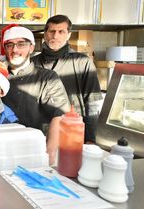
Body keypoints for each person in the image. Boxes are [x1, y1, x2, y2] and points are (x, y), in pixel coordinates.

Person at [0, 24, 70, 165]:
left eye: (21, 44)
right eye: (10, 45)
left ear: (31, 48)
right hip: (1, 149)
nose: (15, 50)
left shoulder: (47, 77)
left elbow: (59, 115)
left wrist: (49, 155)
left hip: (36, 151)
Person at [31, 15, 103, 144]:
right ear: (45, 33)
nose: (55, 36)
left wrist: (90, 138)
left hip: (72, 131)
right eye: (52, 31)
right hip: (39, 133)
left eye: (61, 32)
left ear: (68, 35)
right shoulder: (32, 63)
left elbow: (92, 102)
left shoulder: (82, 62)